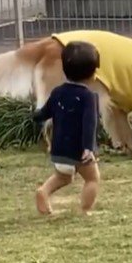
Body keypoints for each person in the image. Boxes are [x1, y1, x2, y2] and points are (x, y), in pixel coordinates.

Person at [34, 41, 100, 216]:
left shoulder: (57, 92)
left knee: (63, 177)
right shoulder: (88, 97)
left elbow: (44, 113)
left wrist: (34, 115)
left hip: (59, 148)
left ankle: (44, 191)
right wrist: (88, 148)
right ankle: (85, 210)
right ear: (93, 74)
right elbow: (89, 123)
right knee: (92, 179)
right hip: (79, 150)